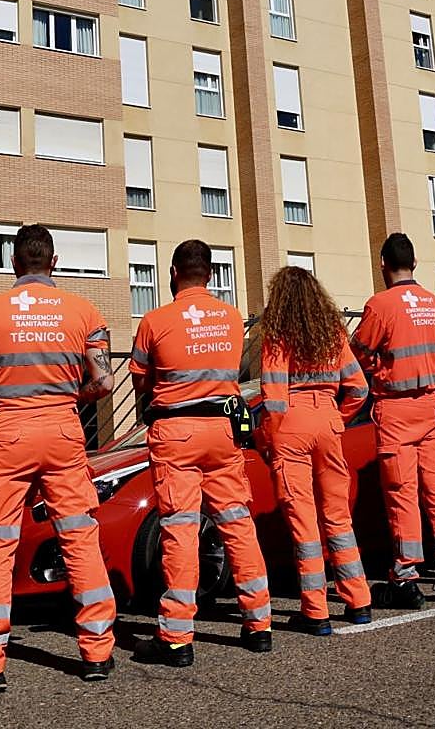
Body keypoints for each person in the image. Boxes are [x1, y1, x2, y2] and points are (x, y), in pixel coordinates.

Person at [0, 224, 117, 695]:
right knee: (79, 535)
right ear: (54, 262)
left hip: (5, 431)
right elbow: (104, 383)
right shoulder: (84, 311)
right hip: (63, 429)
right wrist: (73, 397)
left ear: (12, 263)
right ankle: (97, 652)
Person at [129, 239, 273, 666]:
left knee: (180, 528)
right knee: (237, 523)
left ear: (174, 272)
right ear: (210, 274)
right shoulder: (231, 319)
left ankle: (176, 636)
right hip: (223, 429)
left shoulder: (155, 320)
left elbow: (141, 379)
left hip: (176, 432)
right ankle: (259, 624)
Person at [256, 266, 373, 635]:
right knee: (338, 518)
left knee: (303, 521)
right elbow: (359, 388)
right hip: (328, 421)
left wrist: (270, 441)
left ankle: (316, 611)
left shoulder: (277, 336)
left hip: (291, 422)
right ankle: (358, 601)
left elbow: (273, 397)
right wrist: (337, 417)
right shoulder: (333, 333)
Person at [351, 233, 435, 609]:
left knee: (402, 494)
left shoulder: (380, 304)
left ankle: (405, 577)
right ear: (414, 264)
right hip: (431, 407)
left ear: (383, 264)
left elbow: (358, 354)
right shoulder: (434, 304)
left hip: (396, 408)